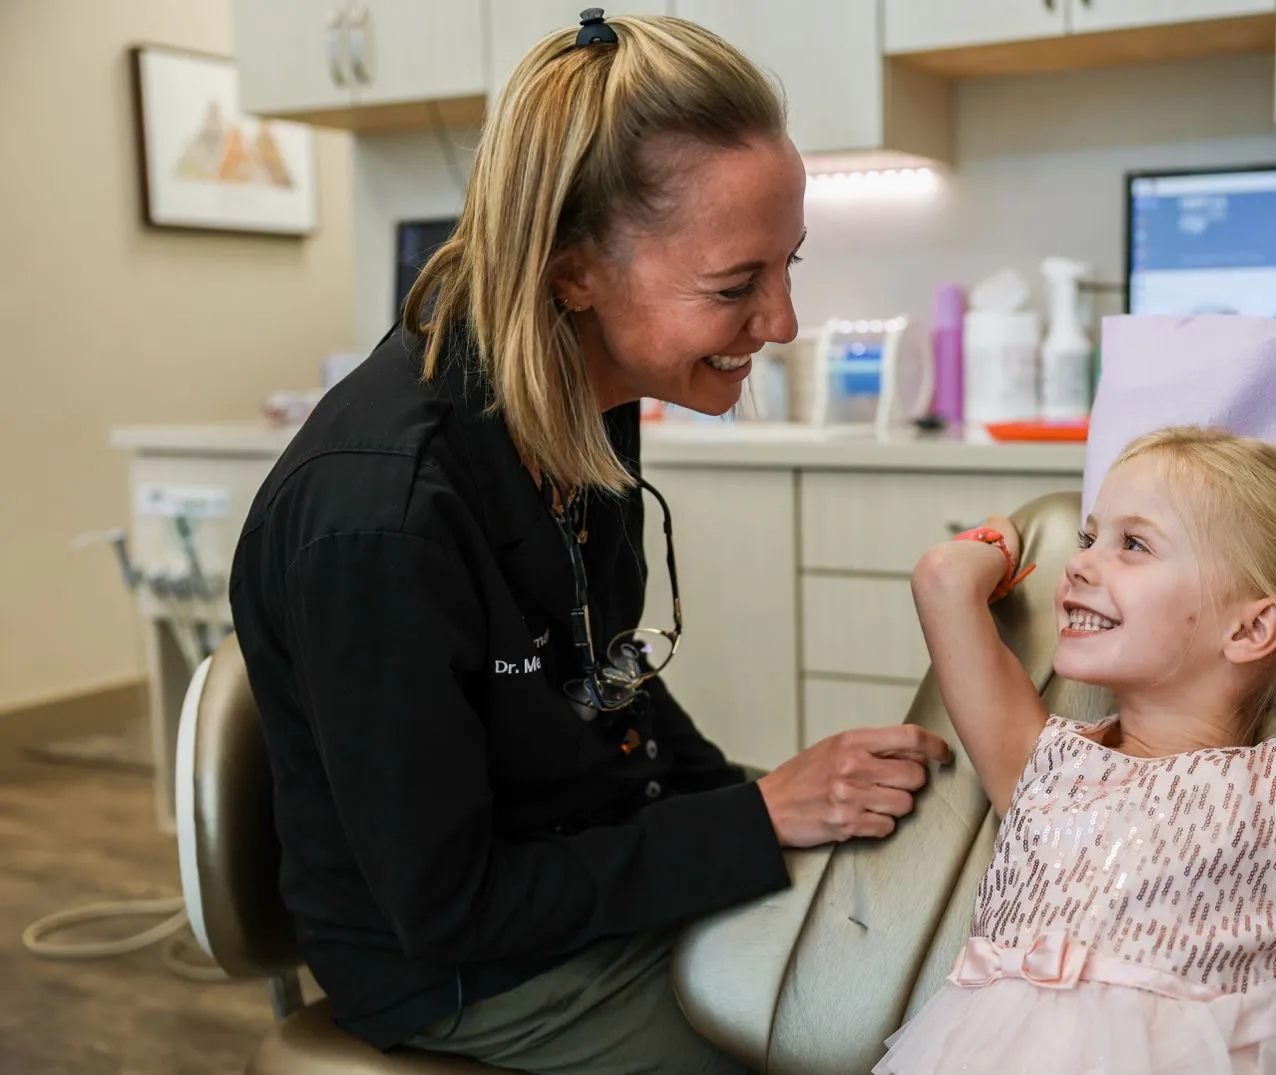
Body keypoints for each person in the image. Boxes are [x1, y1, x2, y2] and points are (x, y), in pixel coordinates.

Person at [227, 11, 949, 1074]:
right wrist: (753, 820)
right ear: (574, 272)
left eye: (786, 266)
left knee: (925, 944)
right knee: (862, 1043)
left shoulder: (578, 395)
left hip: (583, 861)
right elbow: (451, 906)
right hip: (470, 971)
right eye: (735, 285)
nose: (784, 321)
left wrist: (789, 801)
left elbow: (605, 680)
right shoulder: (379, 520)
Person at [876, 426, 1276, 1074]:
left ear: (1252, 627)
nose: (1078, 562)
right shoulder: (1042, 763)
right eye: (1086, 538)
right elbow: (942, 577)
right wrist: (1011, 531)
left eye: (1133, 543)